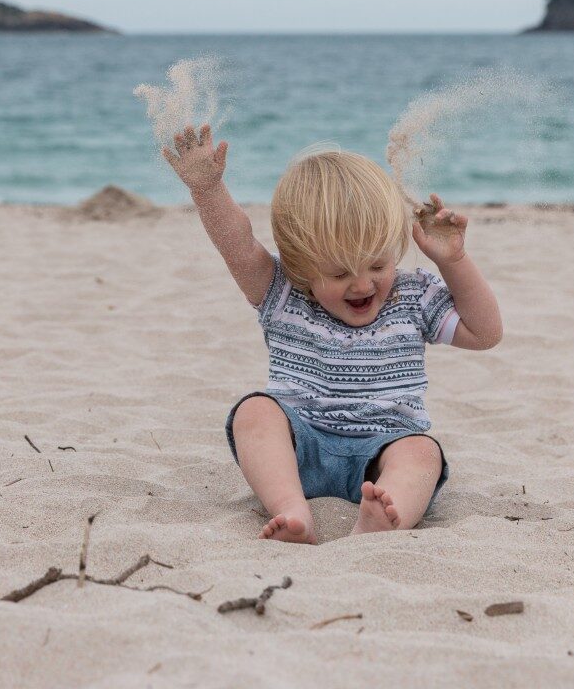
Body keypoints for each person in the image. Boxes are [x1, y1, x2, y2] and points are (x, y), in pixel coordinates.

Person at [163, 124, 503, 542]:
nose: (362, 285)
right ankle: (291, 508)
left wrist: (454, 261)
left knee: (423, 451)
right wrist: (207, 189)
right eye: (340, 273)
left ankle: (382, 517)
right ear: (302, 267)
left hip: (383, 450)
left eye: (378, 265)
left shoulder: (411, 295)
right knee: (254, 410)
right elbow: (238, 242)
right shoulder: (282, 291)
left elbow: (484, 333)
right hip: (298, 445)